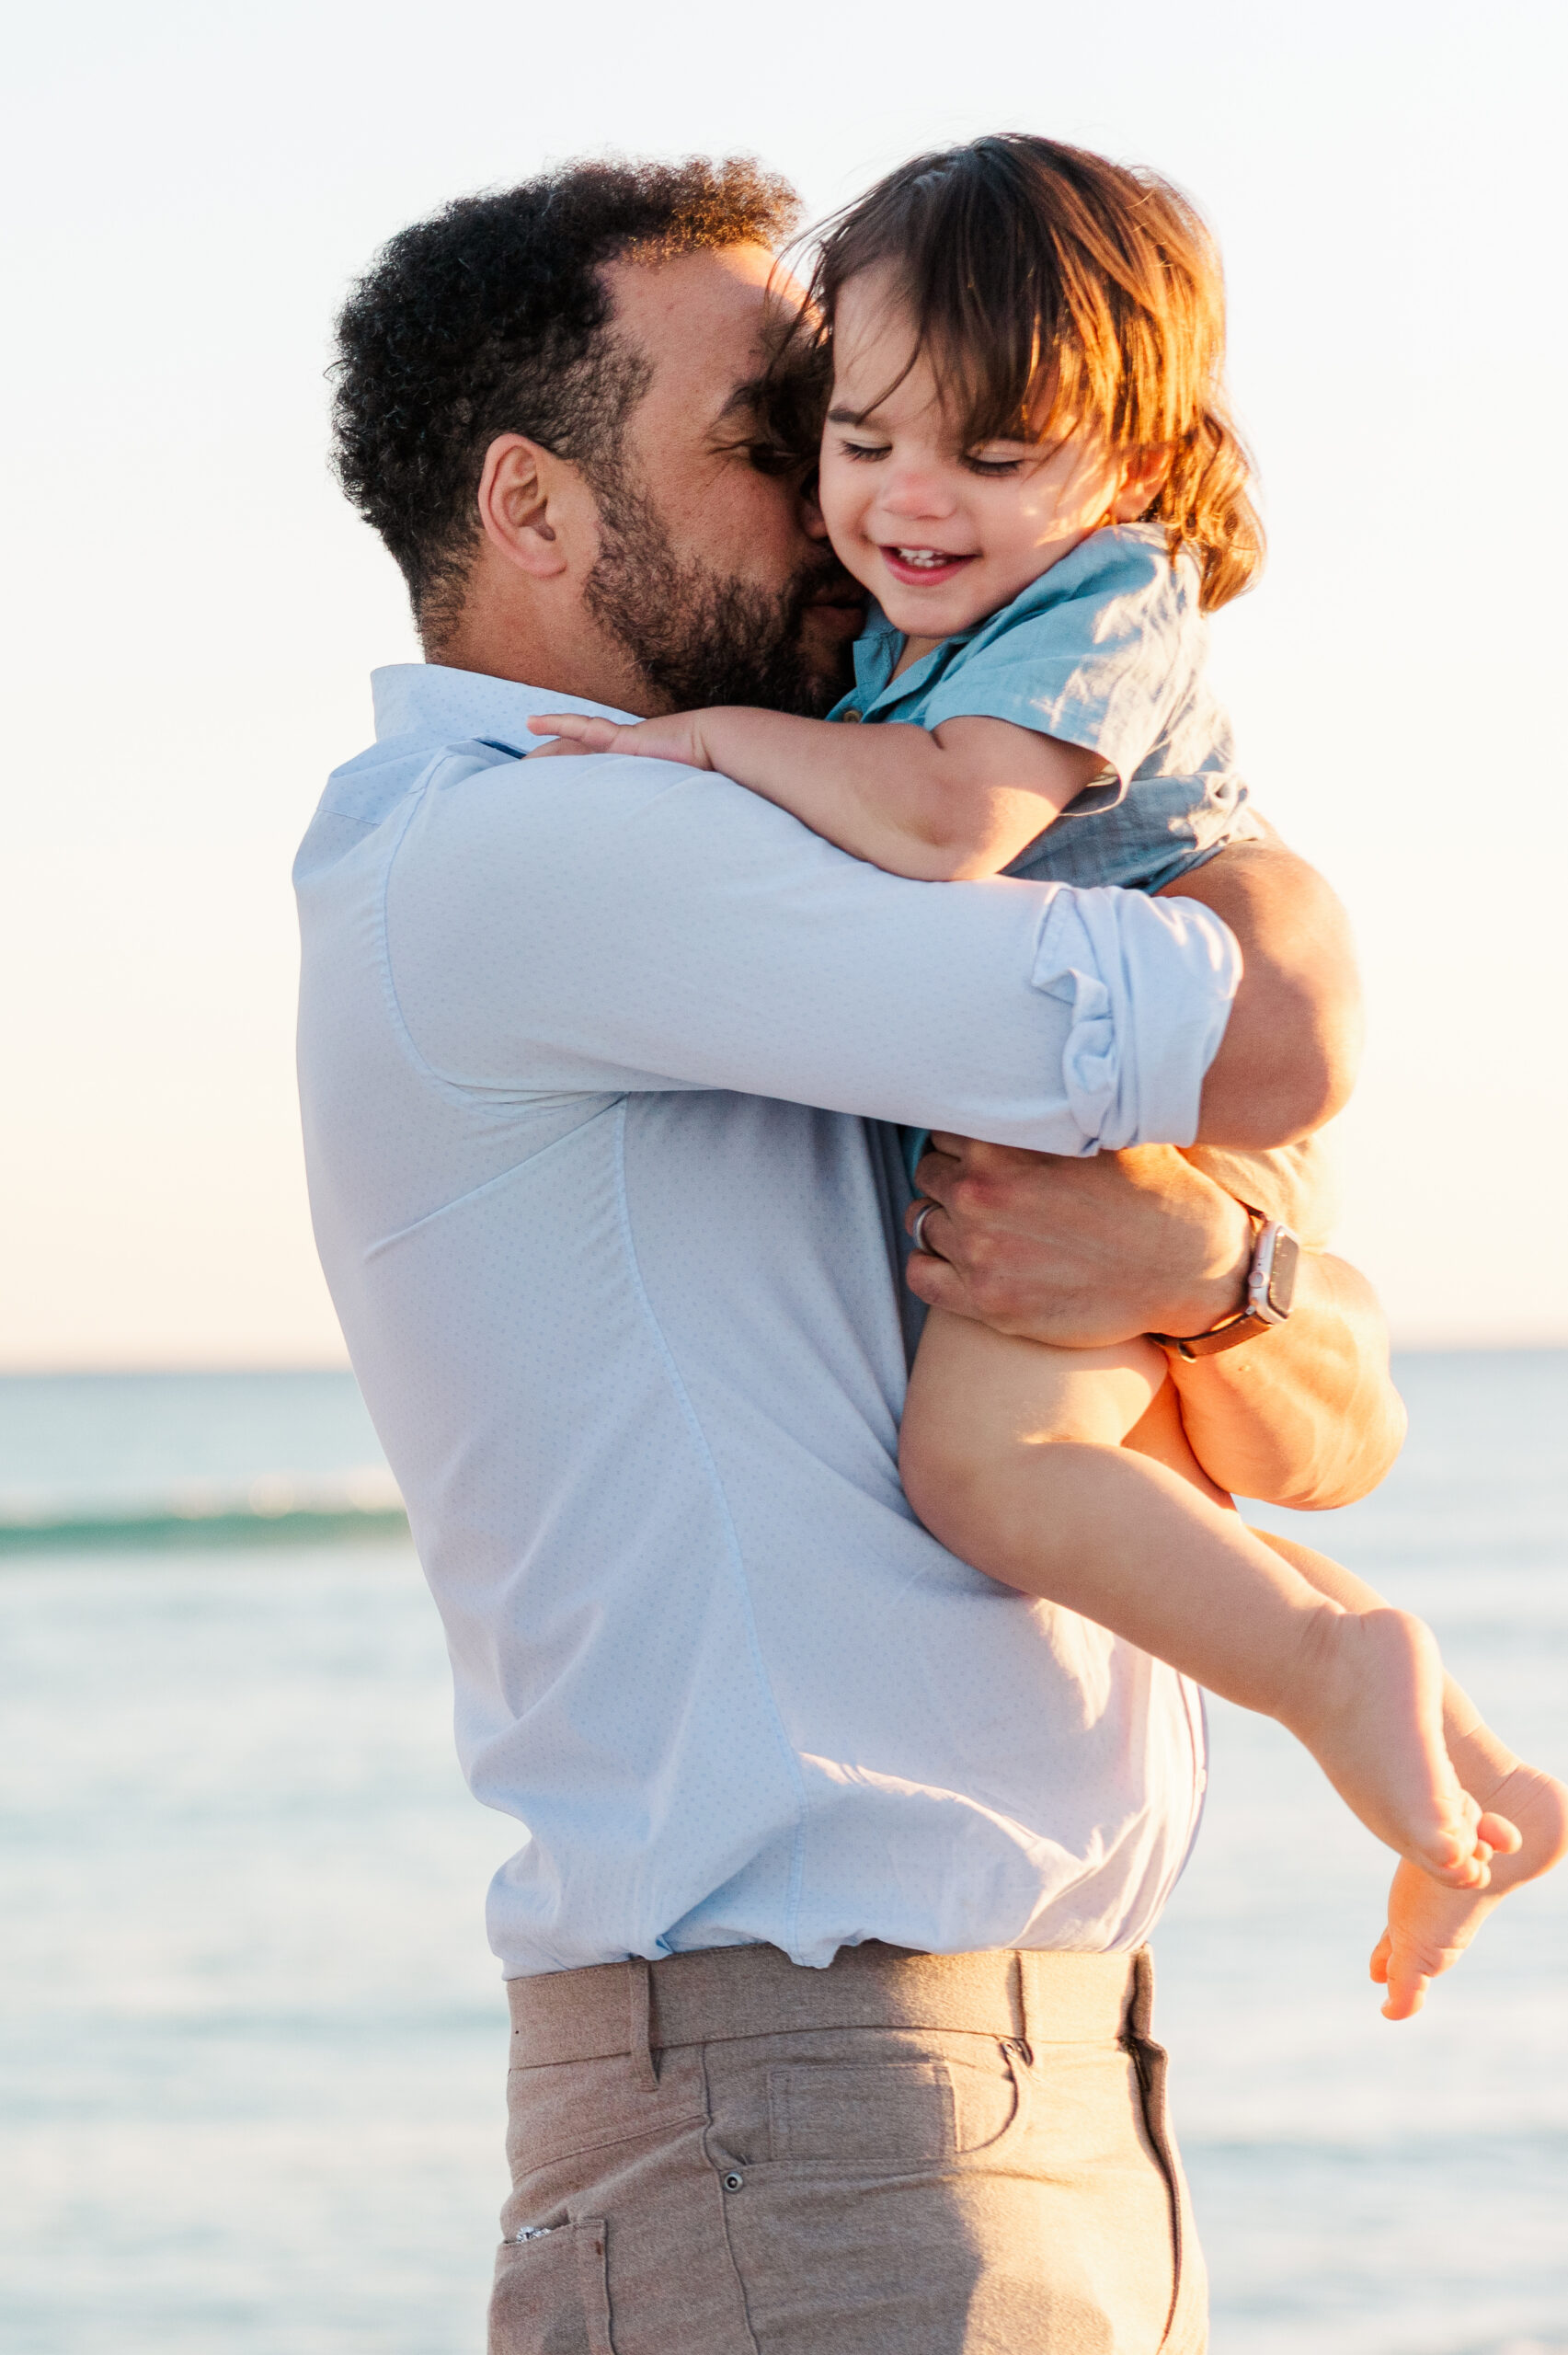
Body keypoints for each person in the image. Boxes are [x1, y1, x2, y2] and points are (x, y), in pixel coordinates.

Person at [298, 155, 1562, 2355]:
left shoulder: (802, 842)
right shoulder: (535, 843)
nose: (837, 504)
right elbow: (1274, 1031)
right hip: (808, 2100)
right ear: (530, 506)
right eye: (769, 445)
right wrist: (1265, 902)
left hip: (1031, 2080)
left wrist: (1211, 1271)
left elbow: (1325, 1417)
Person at [526, 133, 1559, 1972]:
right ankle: (1458, 1758)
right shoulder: (923, 617)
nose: (912, 498)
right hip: (1115, 1103)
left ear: (1134, 467)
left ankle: (1334, 1670)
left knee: (984, 1472)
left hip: (1163, 1106)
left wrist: (713, 745)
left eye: (992, 457)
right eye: (860, 441)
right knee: (1127, 1486)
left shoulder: (1098, 602)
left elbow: (943, 827)